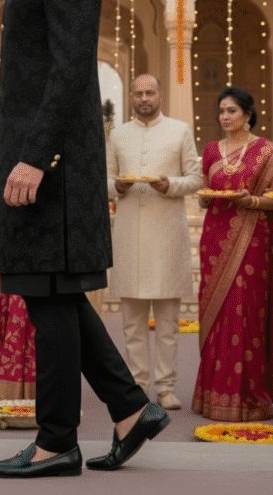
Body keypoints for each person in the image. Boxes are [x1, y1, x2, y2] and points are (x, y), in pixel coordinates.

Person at [0, 0, 169, 479]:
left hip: (50, 168)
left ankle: (58, 440)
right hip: (39, 163)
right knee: (52, 296)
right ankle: (129, 409)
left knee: (47, 296)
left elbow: (68, 71)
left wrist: (34, 157)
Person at [192, 86, 273, 422]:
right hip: (215, 237)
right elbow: (206, 191)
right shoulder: (209, 149)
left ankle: (248, 397)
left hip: (252, 240)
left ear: (248, 115)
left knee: (244, 310)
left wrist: (252, 202)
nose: (225, 117)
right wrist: (204, 198)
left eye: (232, 111)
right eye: (222, 111)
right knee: (217, 312)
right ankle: (213, 395)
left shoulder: (268, 151)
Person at [107, 74, 202, 411]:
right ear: (131, 97)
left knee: (167, 322)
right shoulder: (118, 134)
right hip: (129, 235)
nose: (144, 98)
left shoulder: (179, 130)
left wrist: (171, 185)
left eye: (150, 92)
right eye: (138, 93)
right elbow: (104, 178)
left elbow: (195, 177)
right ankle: (135, 386)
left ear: (161, 95)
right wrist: (116, 187)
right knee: (132, 322)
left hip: (167, 235)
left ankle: (165, 386)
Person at [0, 143, 36, 401]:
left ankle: (17, 390)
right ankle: (29, 390)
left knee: (23, 311)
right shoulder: (2, 141)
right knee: (19, 311)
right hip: (22, 238)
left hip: (17, 235)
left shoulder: (6, 136)